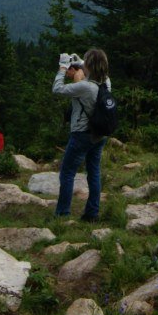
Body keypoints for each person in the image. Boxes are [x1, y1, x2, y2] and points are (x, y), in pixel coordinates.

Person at [52, 48, 110, 221]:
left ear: (90, 66)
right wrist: (81, 62)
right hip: (99, 135)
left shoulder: (85, 87)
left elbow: (57, 89)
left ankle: (62, 213)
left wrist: (63, 66)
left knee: (67, 173)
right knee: (94, 172)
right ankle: (92, 213)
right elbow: (94, 70)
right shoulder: (106, 83)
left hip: (81, 134)